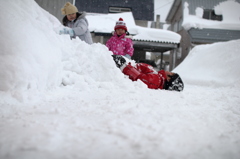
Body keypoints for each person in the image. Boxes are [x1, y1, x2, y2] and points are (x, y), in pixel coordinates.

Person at [112, 55, 184, 91]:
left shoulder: (157, 80)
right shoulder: (158, 77)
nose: (169, 71)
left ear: (168, 79)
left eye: (171, 73)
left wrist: (123, 65)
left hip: (120, 69)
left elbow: (139, 78)